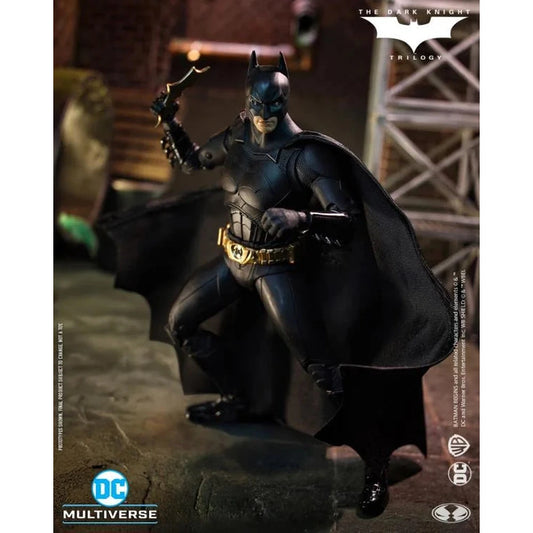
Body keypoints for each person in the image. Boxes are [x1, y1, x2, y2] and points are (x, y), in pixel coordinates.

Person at [111, 51, 453, 518]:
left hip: (276, 269)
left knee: (324, 369)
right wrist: (170, 121)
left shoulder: (304, 154)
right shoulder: (236, 136)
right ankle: (239, 398)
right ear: (247, 99)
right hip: (232, 259)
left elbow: (347, 218)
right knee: (180, 324)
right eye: (257, 104)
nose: (264, 114)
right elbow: (191, 161)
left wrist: (300, 217)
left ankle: (375, 462)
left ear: (285, 102)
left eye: (274, 105)